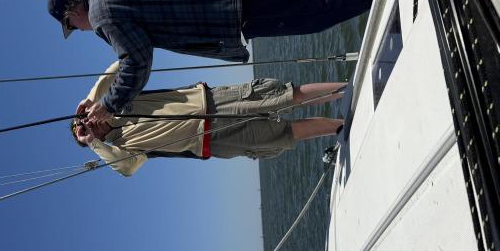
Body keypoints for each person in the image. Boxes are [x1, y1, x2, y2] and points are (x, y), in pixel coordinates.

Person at [47, 0, 380, 125]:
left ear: (72, 13)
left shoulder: (102, 16)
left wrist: (108, 106)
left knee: (316, 10)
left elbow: (136, 61)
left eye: (73, 26)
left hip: (229, 11)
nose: (81, 30)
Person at [71, 61, 345, 176]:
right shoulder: (121, 148)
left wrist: (92, 98)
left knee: (285, 96)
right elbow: (127, 168)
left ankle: (346, 90)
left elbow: (124, 64)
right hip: (212, 140)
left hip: (211, 101)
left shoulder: (118, 99)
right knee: (285, 133)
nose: (88, 123)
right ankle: (341, 128)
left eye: (83, 119)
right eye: (84, 130)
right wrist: (93, 143)